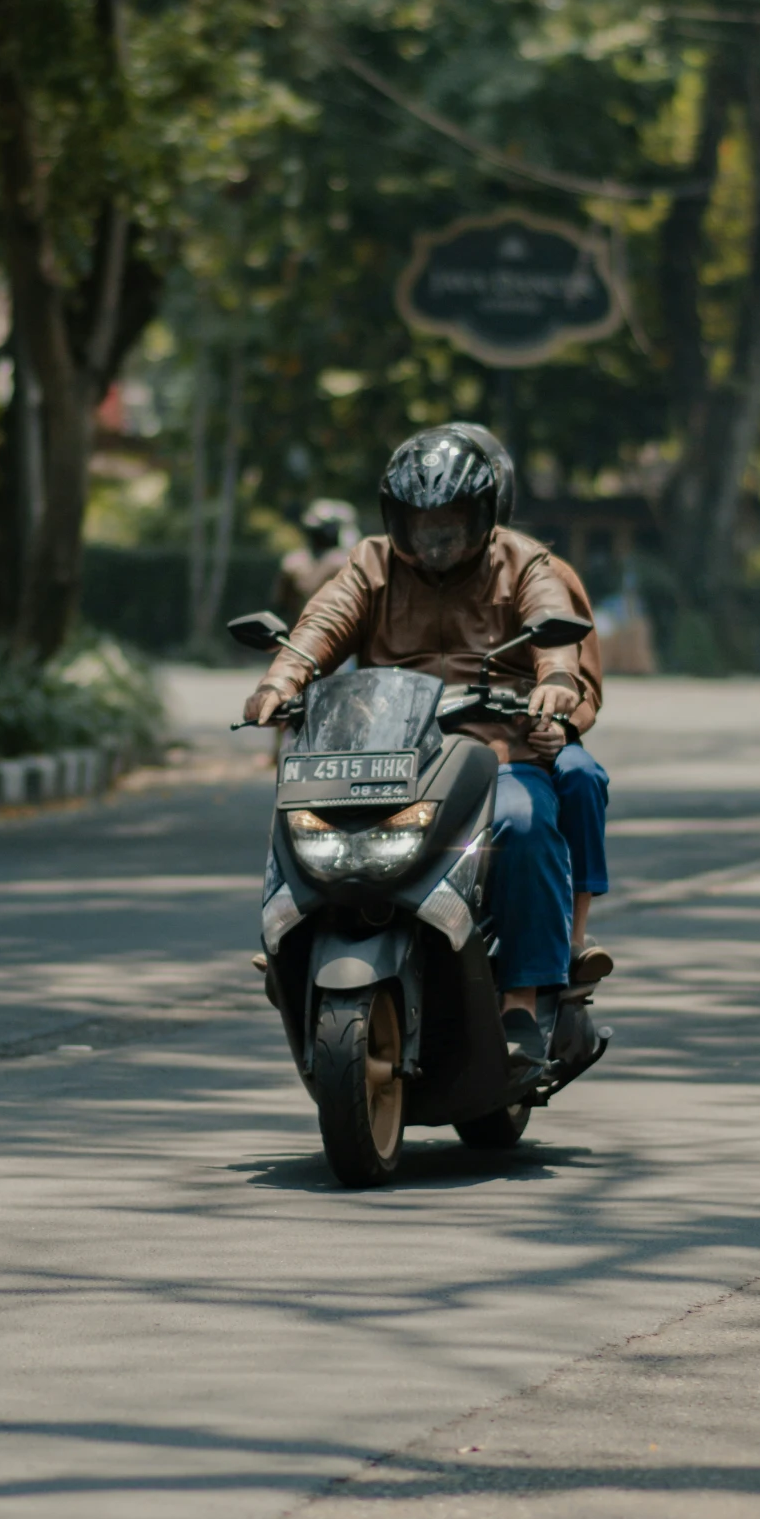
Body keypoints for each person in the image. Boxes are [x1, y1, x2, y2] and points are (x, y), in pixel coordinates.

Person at [242, 426, 593, 1079]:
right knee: (303, 799)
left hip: (499, 746)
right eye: (420, 521)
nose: (435, 536)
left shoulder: (525, 563)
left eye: (451, 521)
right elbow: (324, 620)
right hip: (389, 742)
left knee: (521, 822)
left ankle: (519, 1002)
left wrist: (553, 682)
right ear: (395, 518)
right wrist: (281, 679)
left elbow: (555, 635)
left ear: (483, 516)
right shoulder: (372, 562)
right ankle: (290, 930)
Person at [446, 423, 612, 989]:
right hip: (441, 737)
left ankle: (574, 939)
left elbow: (581, 678)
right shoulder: (410, 575)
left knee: (581, 777)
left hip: (531, 737)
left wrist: (560, 724)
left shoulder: (544, 572)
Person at [272, 499, 358, 626]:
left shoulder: (293, 562)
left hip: (311, 636)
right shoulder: (295, 563)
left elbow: (279, 607)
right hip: (306, 637)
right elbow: (281, 607)